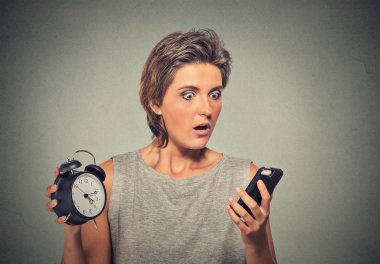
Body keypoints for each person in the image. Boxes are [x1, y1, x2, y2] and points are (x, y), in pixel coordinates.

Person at [45, 29, 277, 264]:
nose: (206, 109)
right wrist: (72, 231)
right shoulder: (109, 181)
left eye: (214, 94)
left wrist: (256, 243)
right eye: (188, 95)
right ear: (155, 102)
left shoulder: (245, 179)